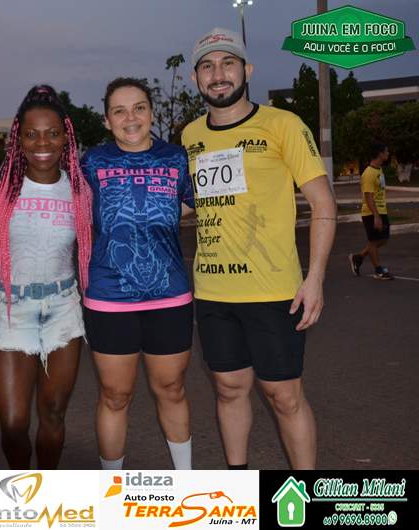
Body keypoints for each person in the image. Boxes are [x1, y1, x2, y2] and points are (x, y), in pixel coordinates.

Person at [182, 28, 337, 469]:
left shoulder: (282, 124)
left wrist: (316, 278)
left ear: (246, 70)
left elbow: (323, 204)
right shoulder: (190, 135)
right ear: (196, 78)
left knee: (284, 396)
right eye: (207, 66)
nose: (218, 74)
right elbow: (189, 201)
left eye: (228, 63)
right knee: (229, 389)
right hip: (213, 293)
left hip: (274, 291)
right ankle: (238, 486)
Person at [81, 77, 196, 471]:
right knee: (115, 396)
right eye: (119, 111)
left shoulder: (176, 158)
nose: (130, 118)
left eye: (139, 108)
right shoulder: (92, 162)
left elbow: (194, 203)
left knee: (172, 389)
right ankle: (112, 489)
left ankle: (186, 485)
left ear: (151, 112)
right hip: (109, 297)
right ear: (107, 120)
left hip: (170, 295)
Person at [0, 85, 92, 469]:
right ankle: (22, 485)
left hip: (63, 308)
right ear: (18, 139)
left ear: (66, 137)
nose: (42, 143)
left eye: (52, 133)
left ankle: (44, 489)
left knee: (54, 413)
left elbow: (97, 244)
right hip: (12, 309)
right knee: (13, 425)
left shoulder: (79, 190)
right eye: (31, 134)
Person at [349, 142, 393, 280]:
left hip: (381, 209)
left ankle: (358, 257)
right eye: (386, 151)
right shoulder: (368, 173)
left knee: (383, 239)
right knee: (374, 241)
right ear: (380, 153)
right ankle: (378, 270)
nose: (388, 153)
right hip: (370, 212)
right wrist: (376, 216)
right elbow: (368, 197)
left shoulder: (378, 170)